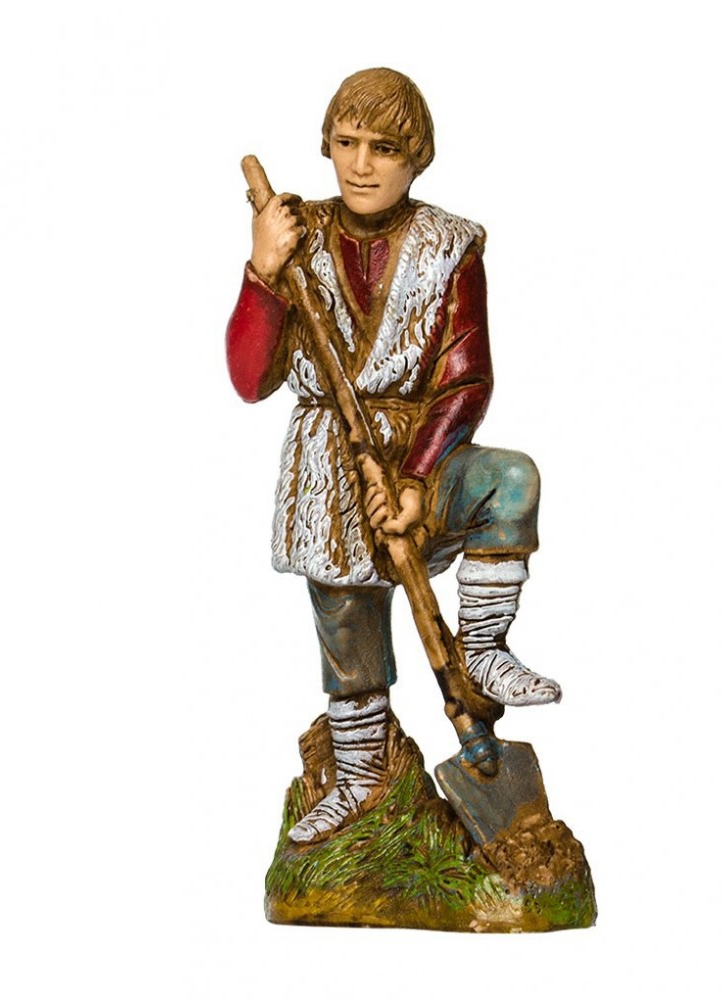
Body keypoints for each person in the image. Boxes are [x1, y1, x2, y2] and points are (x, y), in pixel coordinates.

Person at [226, 68, 561, 844]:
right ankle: (358, 775)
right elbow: (248, 380)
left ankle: (480, 652)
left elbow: (466, 375)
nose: (361, 164)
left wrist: (415, 476)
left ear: (417, 158)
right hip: (329, 459)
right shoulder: (295, 235)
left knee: (509, 480)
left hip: (423, 449)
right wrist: (263, 272)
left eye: (383, 148)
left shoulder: (450, 245)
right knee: (346, 616)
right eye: (346, 143)